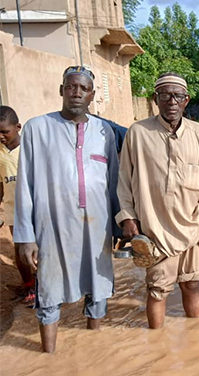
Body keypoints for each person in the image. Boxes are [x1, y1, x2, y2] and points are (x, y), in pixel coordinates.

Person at [14, 66, 120, 353]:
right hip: (52, 226)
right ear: (62, 90)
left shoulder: (104, 131)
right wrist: (26, 236)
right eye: (71, 87)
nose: (76, 93)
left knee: (97, 288)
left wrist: (118, 225)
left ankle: (93, 353)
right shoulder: (37, 128)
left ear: (92, 95)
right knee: (49, 289)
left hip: (96, 227)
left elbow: (113, 184)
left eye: (83, 89)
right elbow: (25, 184)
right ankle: (48, 358)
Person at [116, 72, 199, 329]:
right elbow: (124, 181)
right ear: (155, 99)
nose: (171, 101)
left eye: (178, 96)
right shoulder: (138, 133)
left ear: (186, 100)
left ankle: (195, 346)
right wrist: (128, 217)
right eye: (165, 95)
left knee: (192, 284)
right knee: (156, 290)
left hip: (193, 227)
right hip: (155, 229)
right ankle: (156, 346)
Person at [0, 106, 35, 304]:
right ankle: (29, 285)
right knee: (20, 248)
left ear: (18, 127)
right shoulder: (0, 153)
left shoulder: (30, 149)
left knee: (40, 248)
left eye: (5, 131)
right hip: (13, 209)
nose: (1, 136)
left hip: (34, 209)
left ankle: (45, 285)